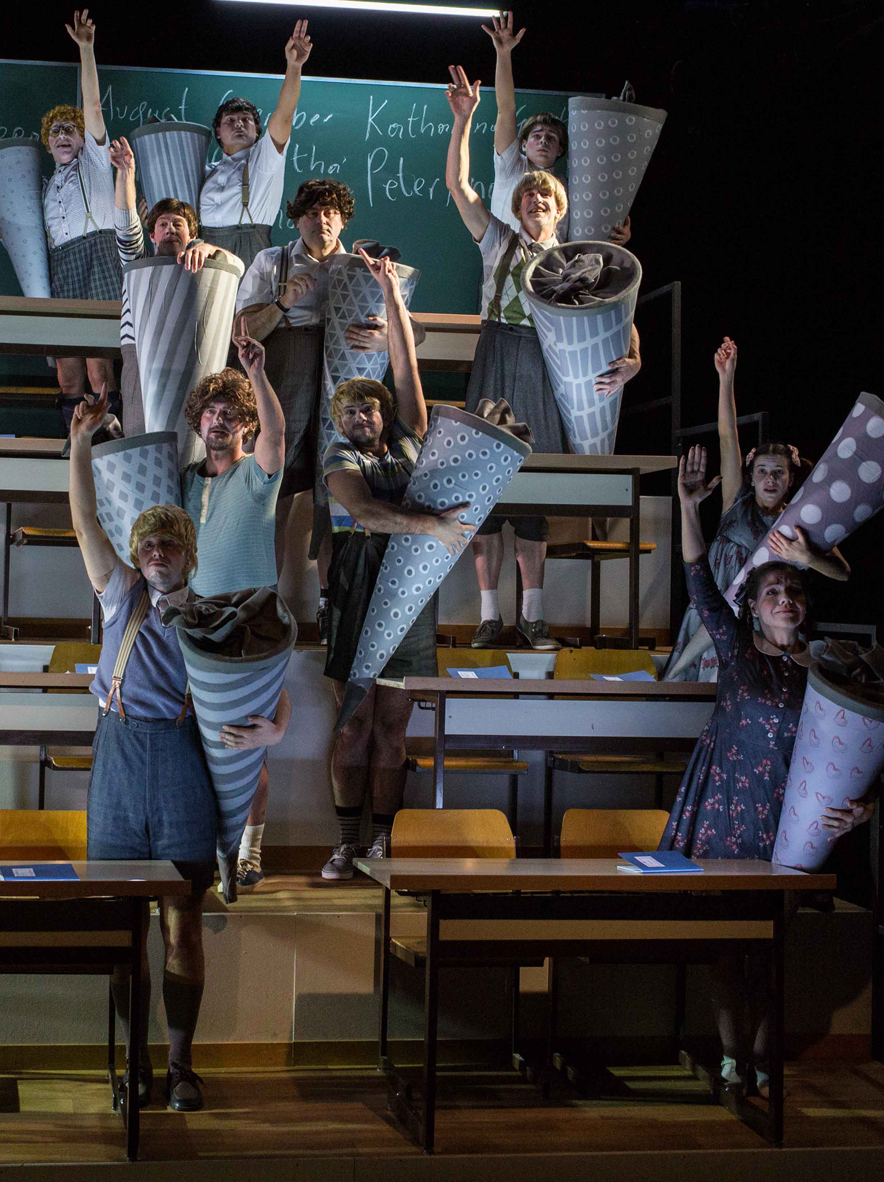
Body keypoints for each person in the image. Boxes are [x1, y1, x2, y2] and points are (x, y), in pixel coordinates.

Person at [661, 445, 873, 1094]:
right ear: (752, 606)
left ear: (805, 604)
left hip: (789, 824)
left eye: (793, 589)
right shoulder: (736, 649)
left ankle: (759, 1063)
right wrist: (687, 507)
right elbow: (699, 579)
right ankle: (732, 1061)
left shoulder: (828, 667)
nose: (784, 597)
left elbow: (858, 748)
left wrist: (863, 807)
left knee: (774, 952)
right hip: (727, 817)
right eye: (771, 590)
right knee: (728, 951)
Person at [446, 65, 641, 649]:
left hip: (544, 362)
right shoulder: (499, 241)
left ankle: (532, 616)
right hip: (495, 352)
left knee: (534, 492)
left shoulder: (578, 258)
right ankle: (488, 616)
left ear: (560, 210)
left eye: (546, 197)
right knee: (482, 488)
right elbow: (459, 187)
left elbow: (618, 312)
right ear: (518, 204)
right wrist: (463, 122)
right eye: (528, 195)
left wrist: (634, 358)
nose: (536, 200)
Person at [66, 394, 219, 1113]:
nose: (157, 551)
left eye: (170, 544)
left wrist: (269, 733)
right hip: (121, 759)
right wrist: (79, 444)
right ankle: (133, 1063)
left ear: (188, 556)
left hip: (184, 761)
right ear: (137, 555)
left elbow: (259, 688)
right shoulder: (120, 593)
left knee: (181, 922)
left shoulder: (211, 614)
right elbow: (84, 521)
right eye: (148, 544)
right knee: (125, 926)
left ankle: (182, 1064)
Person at [318, 252, 476, 880]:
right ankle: (344, 843)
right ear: (340, 421)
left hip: (410, 598)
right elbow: (363, 513)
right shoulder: (338, 456)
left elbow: (406, 365)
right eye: (351, 411)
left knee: (392, 732)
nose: (362, 417)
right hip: (356, 595)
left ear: (385, 414)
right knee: (352, 727)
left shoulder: (411, 437)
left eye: (370, 408)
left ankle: (380, 843)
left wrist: (391, 292)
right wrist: (431, 525)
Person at [665, 338, 850, 681]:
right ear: (751, 477)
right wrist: (726, 379)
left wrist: (807, 557)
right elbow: (727, 437)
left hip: (764, 627)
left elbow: (842, 571)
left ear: (791, 479)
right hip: (713, 616)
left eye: (779, 472)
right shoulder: (737, 501)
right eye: (762, 471)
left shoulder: (798, 521)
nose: (770, 479)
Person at [181, 331, 292, 892]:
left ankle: (249, 854)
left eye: (230, 414)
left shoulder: (256, 475)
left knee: (250, 742)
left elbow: (278, 435)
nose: (219, 421)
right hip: (195, 623)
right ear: (198, 422)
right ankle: (207, 853)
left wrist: (257, 373)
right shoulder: (185, 481)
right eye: (210, 412)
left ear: (245, 424)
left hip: (251, 619)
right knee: (203, 750)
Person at [0, 11, 123, 426]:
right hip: (61, 267)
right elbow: (33, 245)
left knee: (99, 369)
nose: (63, 135)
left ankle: (109, 442)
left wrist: (86, 50)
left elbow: (92, 105)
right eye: (55, 131)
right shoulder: (42, 190)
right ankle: (75, 441)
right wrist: (3, 233)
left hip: (99, 259)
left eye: (70, 129)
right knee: (67, 375)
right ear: (47, 143)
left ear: (83, 139)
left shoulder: (95, 165)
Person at [235, 177, 359, 582]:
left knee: (337, 492)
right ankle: (263, 597)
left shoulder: (360, 267)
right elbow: (242, 332)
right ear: (297, 219)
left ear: (343, 220)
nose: (321, 220)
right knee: (275, 492)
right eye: (312, 212)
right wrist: (282, 302)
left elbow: (408, 328)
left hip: (342, 374)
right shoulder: (272, 261)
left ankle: (332, 602)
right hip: (287, 373)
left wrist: (381, 335)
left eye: (330, 212)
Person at [106, 136, 234, 436]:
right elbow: (125, 224)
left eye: (178, 224)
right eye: (162, 224)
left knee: (192, 435)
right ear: (152, 235)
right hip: (140, 352)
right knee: (141, 431)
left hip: (190, 352)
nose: (170, 229)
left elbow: (236, 265)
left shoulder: (201, 265)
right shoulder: (137, 264)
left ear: (191, 234)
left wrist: (210, 250)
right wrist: (126, 173)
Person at [481, 15, 631, 244]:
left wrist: (618, 236)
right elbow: (505, 110)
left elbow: (587, 233)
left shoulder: (571, 187)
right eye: (537, 136)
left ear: (560, 149)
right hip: (506, 262)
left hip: (551, 266)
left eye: (551, 137)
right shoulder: (511, 167)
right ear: (523, 144)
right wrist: (503, 53)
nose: (543, 141)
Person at [195, 21, 311, 266]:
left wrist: (294, 67)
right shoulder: (205, 173)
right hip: (204, 257)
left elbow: (284, 116)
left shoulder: (264, 160)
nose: (239, 124)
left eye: (246, 120)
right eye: (230, 120)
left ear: (257, 130)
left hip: (251, 256)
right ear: (218, 132)